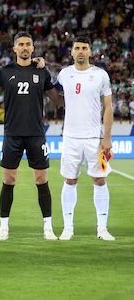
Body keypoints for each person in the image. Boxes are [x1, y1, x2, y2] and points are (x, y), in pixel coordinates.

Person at [0, 32, 63, 240]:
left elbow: (58, 101)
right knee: (8, 180)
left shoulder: (43, 72)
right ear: (14, 48)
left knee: (41, 179)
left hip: (36, 133)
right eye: (21, 44)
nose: (25, 47)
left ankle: (48, 228)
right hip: (12, 133)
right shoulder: (4, 72)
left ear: (33, 48)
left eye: (28, 44)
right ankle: (4, 228)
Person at [56, 36, 115, 241]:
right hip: (71, 137)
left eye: (84, 48)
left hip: (94, 138)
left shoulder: (100, 75)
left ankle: (102, 228)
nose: (80, 51)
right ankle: (68, 228)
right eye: (77, 48)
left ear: (90, 52)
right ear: (71, 52)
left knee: (99, 180)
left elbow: (108, 107)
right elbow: (54, 96)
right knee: (70, 180)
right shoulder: (64, 75)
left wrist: (106, 138)